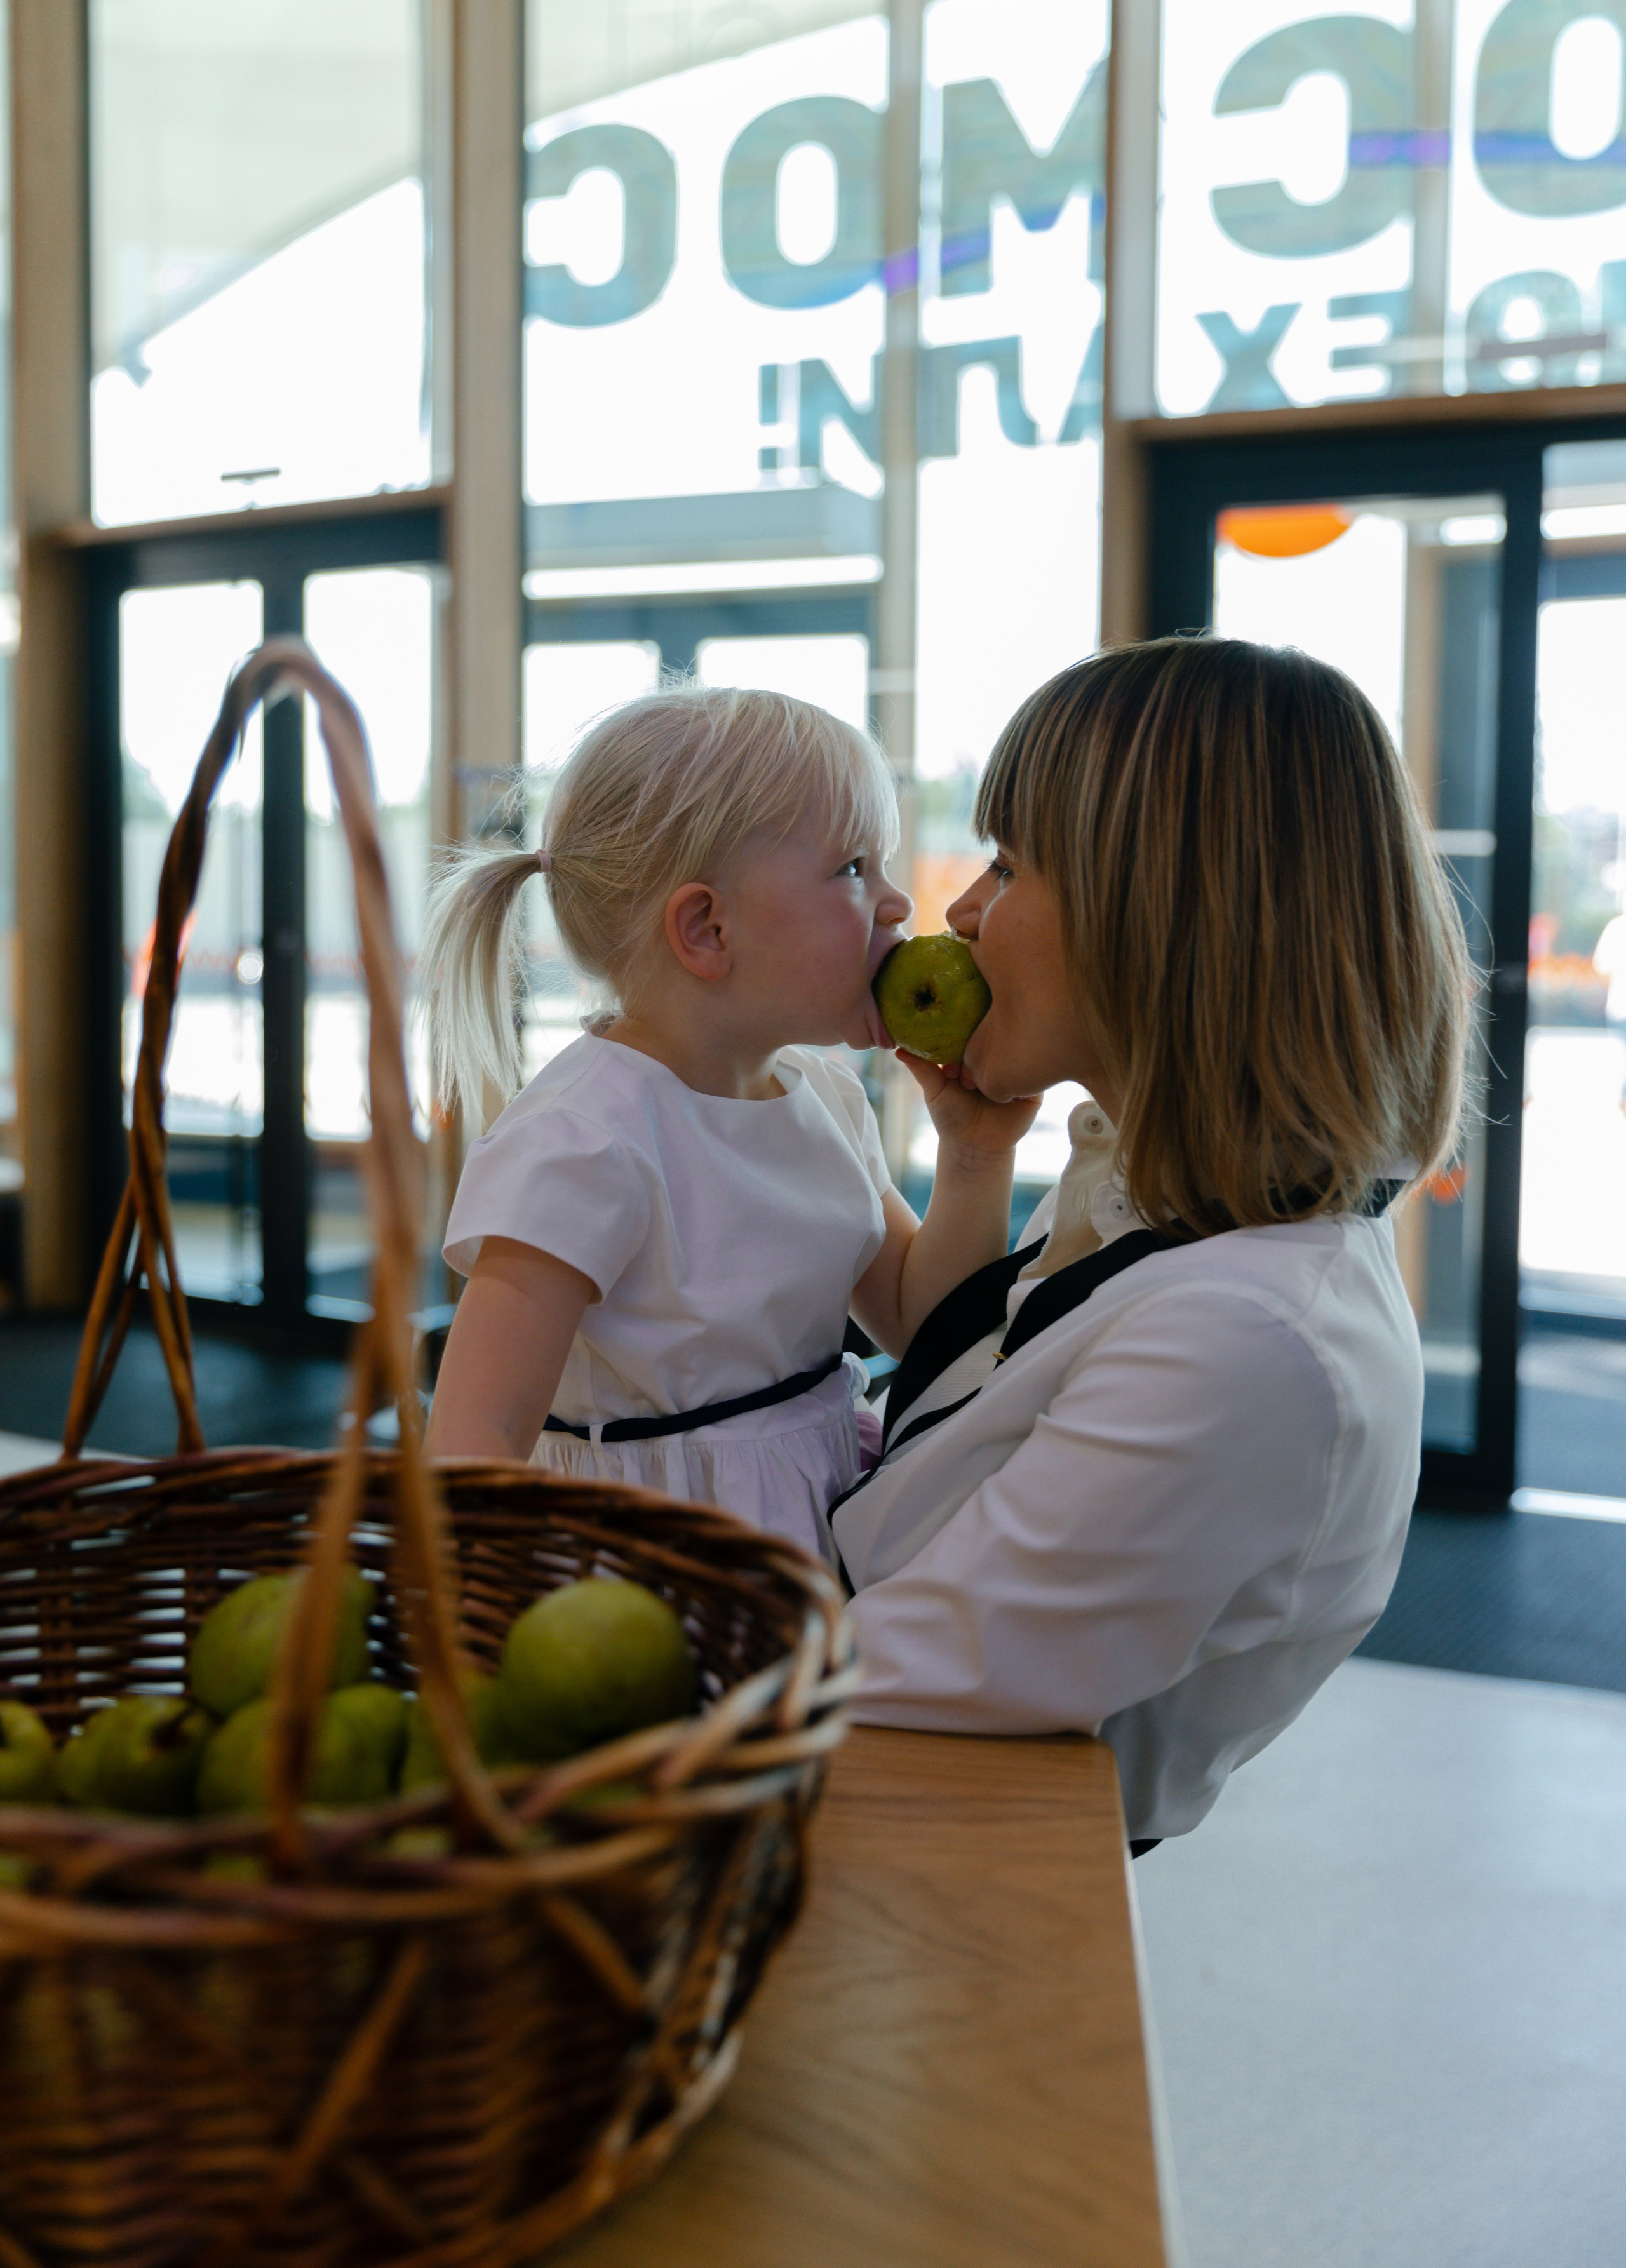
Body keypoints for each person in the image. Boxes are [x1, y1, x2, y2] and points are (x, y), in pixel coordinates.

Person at [833, 638, 1470, 1847]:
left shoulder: (1246, 1340)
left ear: (1156, 916)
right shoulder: (1150, 1193)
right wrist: (971, 1156)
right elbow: (969, 1422)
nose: (961, 913)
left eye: (1009, 865)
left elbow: (904, 1669)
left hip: (936, 1848)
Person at [420, 685, 1038, 1559]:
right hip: (656, 1563)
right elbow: (474, 1438)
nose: (899, 904)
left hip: (818, 1530)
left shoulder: (824, 1099)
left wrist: (973, 1155)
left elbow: (921, 1325)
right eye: (854, 869)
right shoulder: (582, 1141)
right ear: (708, 929)